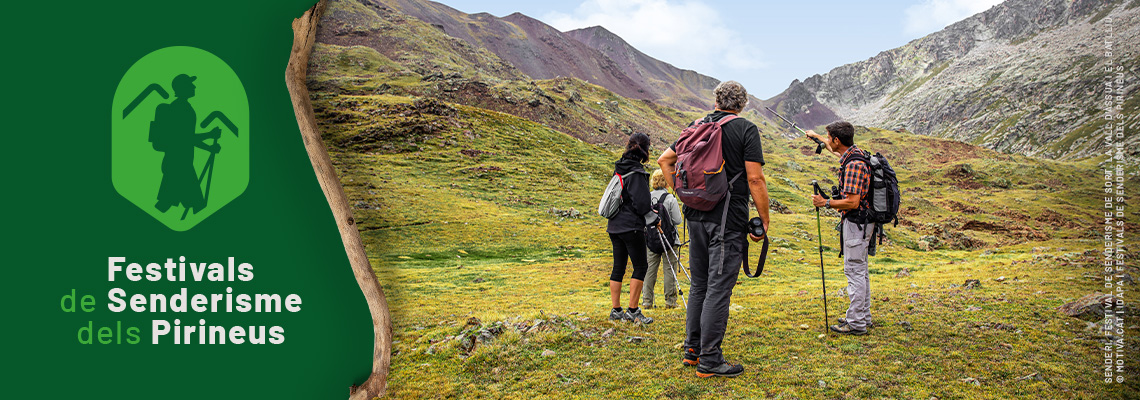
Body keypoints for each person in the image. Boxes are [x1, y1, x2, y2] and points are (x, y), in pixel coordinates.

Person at [658, 81, 769, 378]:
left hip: (695, 216)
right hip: (727, 221)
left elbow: (664, 160)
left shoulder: (695, 126)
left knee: (700, 285)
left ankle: (692, 351)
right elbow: (755, 179)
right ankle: (710, 360)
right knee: (719, 289)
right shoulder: (745, 129)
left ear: (717, 100)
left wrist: (681, 193)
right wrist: (764, 219)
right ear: (742, 104)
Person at [806, 121, 874, 335]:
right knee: (860, 270)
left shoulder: (853, 165)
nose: (828, 140)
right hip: (863, 222)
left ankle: (856, 324)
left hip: (856, 221)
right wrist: (818, 137)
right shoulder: (855, 153)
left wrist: (824, 203)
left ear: (837, 140)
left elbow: (852, 202)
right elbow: (837, 153)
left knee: (854, 270)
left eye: (829, 137)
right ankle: (862, 316)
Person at [154, 74, 221, 214]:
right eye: (190, 85)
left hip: (178, 163)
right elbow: (186, 139)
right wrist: (209, 138)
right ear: (183, 88)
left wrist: (209, 146)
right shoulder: (181, 109)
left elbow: (186, 139)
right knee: (197, 205)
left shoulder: (182, 107)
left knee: (166, 203)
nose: (194, 87)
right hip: (179, 165)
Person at [606, 132, 655, 324]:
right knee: (640, 266)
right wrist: (653, 218)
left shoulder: (619, 169)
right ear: (646, 149)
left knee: (618, 266)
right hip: (631, 226)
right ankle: (633, 310)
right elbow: (642, 204)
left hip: (614, 225)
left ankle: (616, 310)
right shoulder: (637, 173)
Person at [641, 169, 683, 310]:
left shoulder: (646, 197)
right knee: (669, 269)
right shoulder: (670, 198)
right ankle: (670, 301)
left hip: (651, 239)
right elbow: (677, 220)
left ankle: (647, 301)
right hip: (669, 239)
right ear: (666, 182)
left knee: (649, 270)